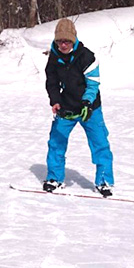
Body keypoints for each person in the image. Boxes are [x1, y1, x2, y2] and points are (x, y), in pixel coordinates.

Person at [43, 17, 115, 197]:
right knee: (56, 143)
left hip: (90, 108)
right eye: (60, 41)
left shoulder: (86, 56)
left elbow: (93, 84)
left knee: (100, 144)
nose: (63, 45)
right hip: (66, 107)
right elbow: (51, 82)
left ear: (73, 40)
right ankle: (54, 178)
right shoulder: (54, 57)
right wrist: (55, 101)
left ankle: (104, 181)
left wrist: (87, 103)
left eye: (67, 41)